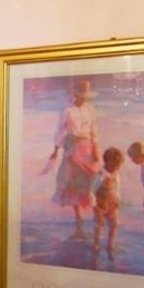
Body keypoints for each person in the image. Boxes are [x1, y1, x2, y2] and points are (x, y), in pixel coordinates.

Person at [48, 79, 100, 234]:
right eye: (80, 95)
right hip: (72, 146)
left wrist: (96, 147)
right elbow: (60, 131)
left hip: (87, 146)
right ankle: (78, 215)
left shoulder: (90, 109)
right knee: (72, 179)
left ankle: (93, 211)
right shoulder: (68, 111)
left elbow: (93, 129)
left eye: (85, 95)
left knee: (89, 177)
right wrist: (56, 150)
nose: (83, 98)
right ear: (75, 94)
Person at [92, 146, 125, 256]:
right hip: (100, 204)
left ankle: (110, 243)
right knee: (100, 225)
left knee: (114, 224)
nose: (116, 168)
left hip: (112, 203)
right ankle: (96, 243)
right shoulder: (100, 174)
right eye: (115, 166)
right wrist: (94, 205)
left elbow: (117, 188)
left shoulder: (116, 174)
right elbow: (93, 190)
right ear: (107, 162)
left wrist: (118, 199)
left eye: (118, 166)